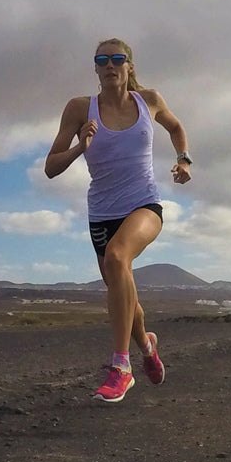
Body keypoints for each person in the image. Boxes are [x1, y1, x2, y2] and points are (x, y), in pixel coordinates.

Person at [44, 38, 193, 403]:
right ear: (96, 68)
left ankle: (121, 368)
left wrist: (184, 160)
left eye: (116, 58)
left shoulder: (149, 100)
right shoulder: (80, 108)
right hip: (102, 214)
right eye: (102, 59)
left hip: (144, 205)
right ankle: (147, 346)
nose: (109, 65)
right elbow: (50, 167)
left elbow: (176, 127)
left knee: (116, 256)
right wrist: (80, 147)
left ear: (129, 66)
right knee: (123, 295)